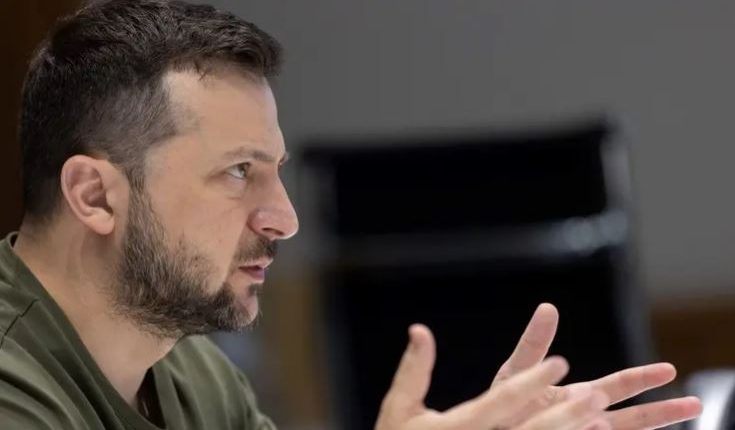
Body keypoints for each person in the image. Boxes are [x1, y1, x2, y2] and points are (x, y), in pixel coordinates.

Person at [0, 1, 702, 429]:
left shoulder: (190, 372)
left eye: (275, 172)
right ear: (95, 196)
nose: (284, 219)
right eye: (238, 172)